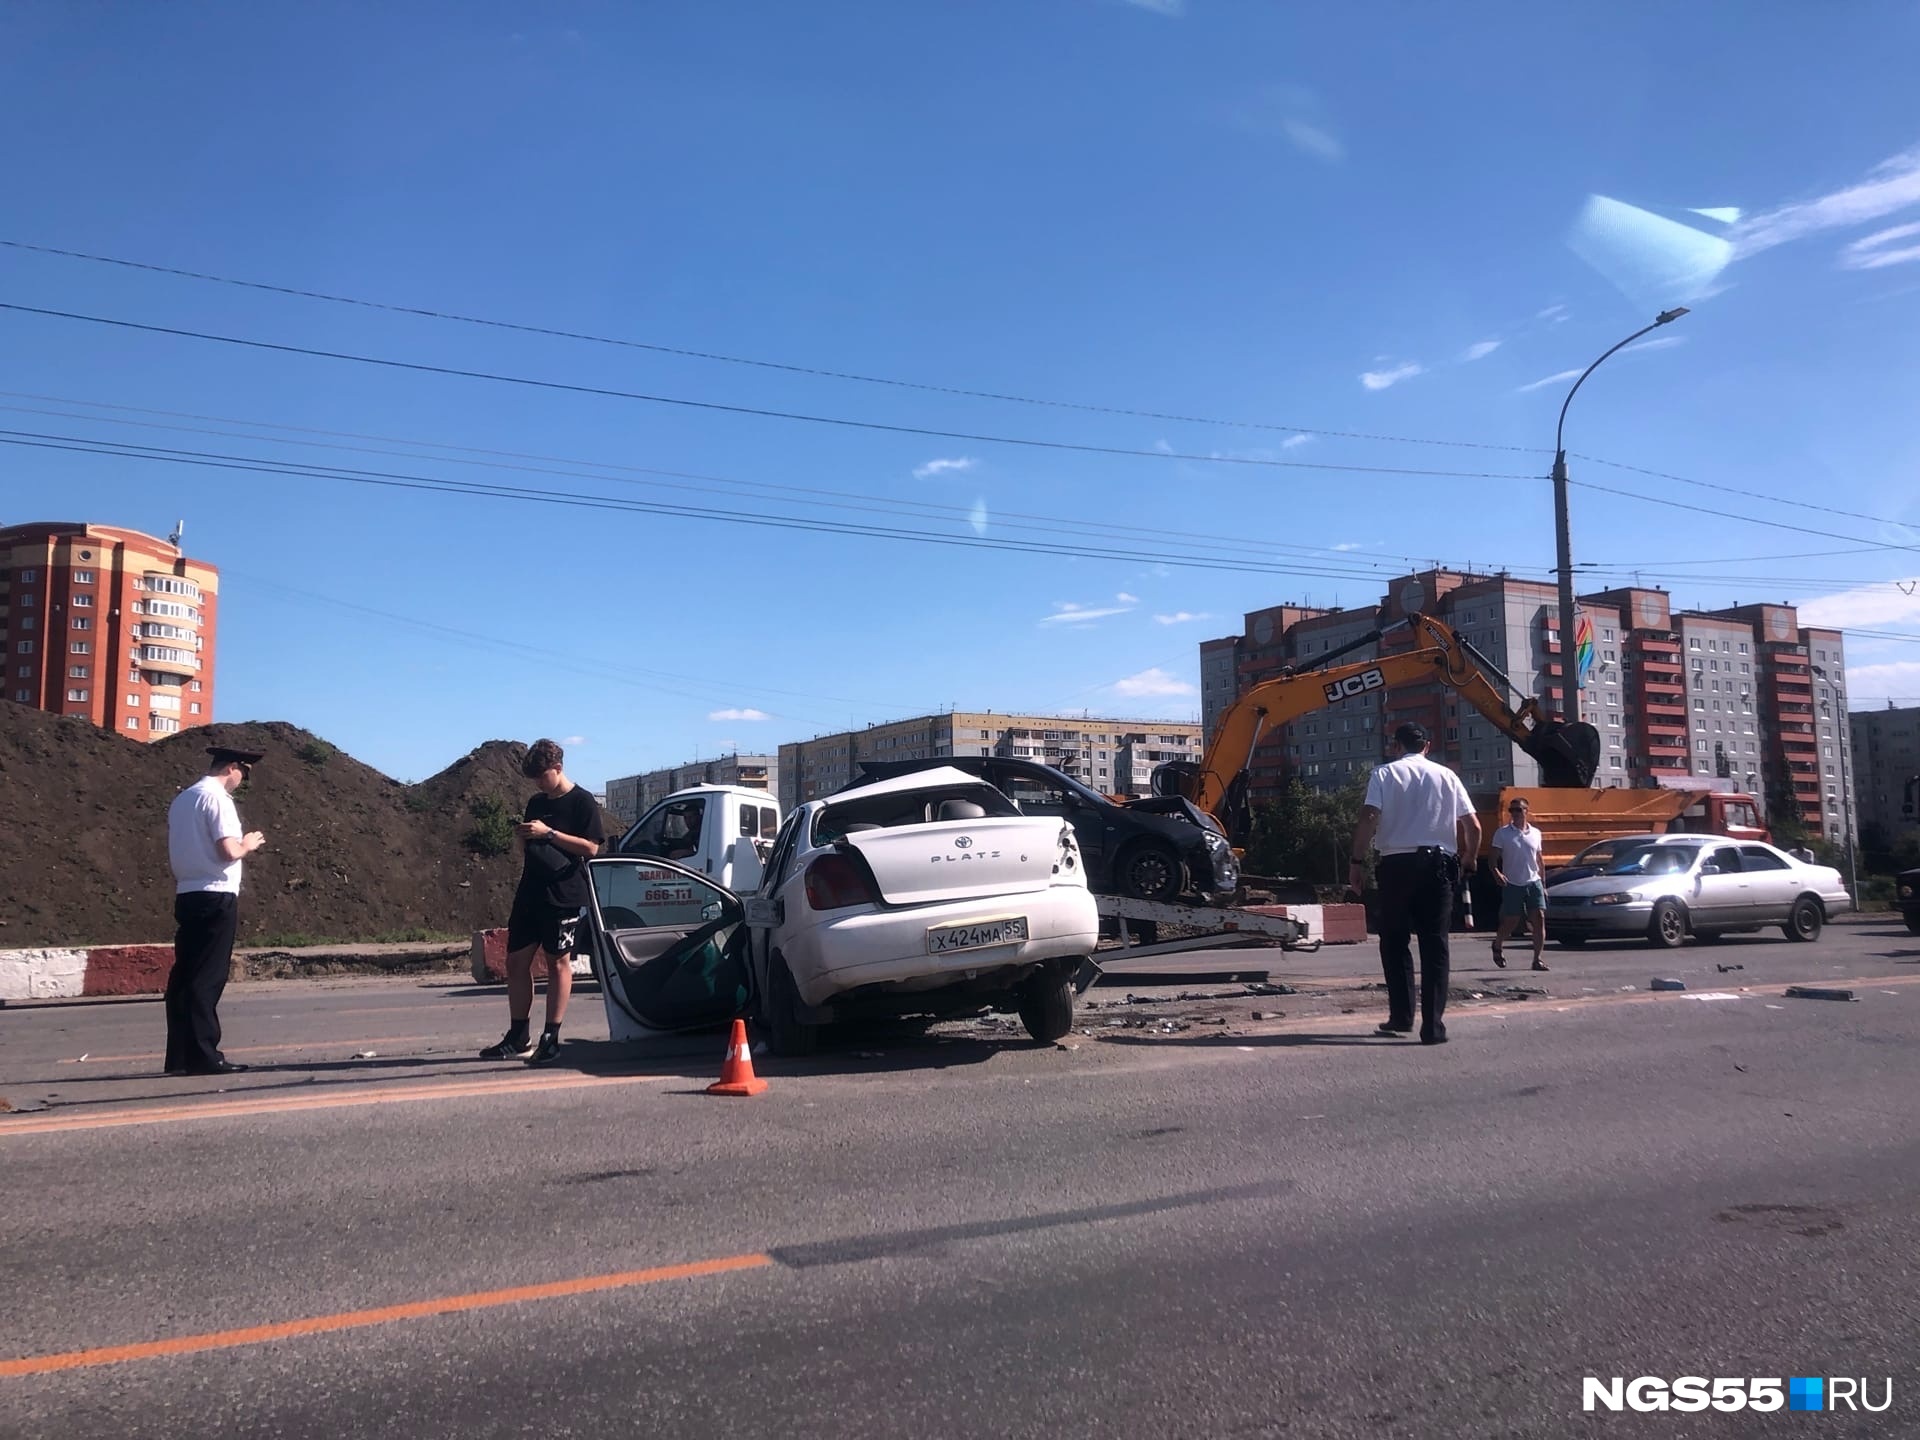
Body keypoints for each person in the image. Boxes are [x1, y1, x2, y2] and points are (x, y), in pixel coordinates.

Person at [1348, 722, 1482, 1046]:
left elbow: (1368, 817)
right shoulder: (1447, 776)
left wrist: (1356, 861)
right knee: (1435, 945)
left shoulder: (1384, 773)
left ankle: (1401, 1016)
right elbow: (1473, 826)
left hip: (1395, 866)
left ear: (1396, 746)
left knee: (1394, 942)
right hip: (1439, 865)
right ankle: (1433, 1027)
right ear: (1428, 745)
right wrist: (1469, 859)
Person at [480, 738, 605, 1066]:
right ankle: (518, 1035)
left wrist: (549, 834)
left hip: (563, 894)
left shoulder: (582, 802)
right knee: (516, 962)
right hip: (530, 891)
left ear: (558, 769)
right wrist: (524, 839)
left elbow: (592, 848)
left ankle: (551, 1038)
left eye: (541, 776)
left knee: (557, 963)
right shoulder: (536, 802)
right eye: (533, 778)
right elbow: (528, 840)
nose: (537, 783)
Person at [165, 746, 267, 1076]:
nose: (242, 780)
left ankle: (179, 1056)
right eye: (244, 773)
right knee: (207, 977)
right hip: (216, 894)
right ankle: (205, 1056)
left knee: (184, 977)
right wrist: (248, 844)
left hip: (187, 893)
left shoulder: (183, 800)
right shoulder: (218, 799)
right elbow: (228, 851)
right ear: (232, 767)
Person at [1490, 796, 1549, 971]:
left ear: (1526, 811)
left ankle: (1537, 959)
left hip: (1534, 882)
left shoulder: (1536, 833)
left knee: (1539, 919)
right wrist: (1496, 873)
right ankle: (1497, 944)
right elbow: (1493, 859)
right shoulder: (1503, 833)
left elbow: (1539, 860)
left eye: (1518, 809)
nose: (1514, 813)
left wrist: (1543, 885)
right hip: (1513, 883)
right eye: (1512, 810)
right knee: (1511, 921)